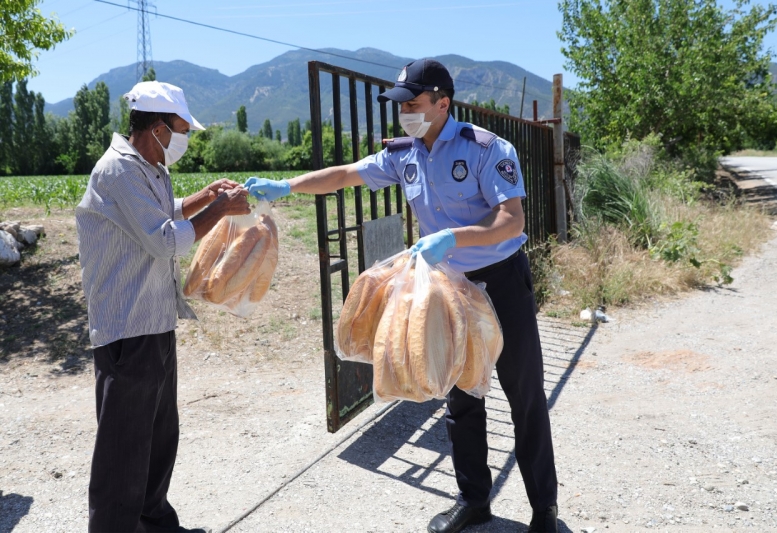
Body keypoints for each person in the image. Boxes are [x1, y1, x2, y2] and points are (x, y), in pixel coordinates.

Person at [243, 59, 560, 533]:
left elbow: (511, 221)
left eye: (413, 104)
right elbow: (344, 175)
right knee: (459, 394)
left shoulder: (486, 148)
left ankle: (543, 512)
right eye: (401, 105)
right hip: (451, 288)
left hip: (502, 280)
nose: (404, 113)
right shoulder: (404, 155)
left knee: (524, 394)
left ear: (442, 103)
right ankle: (475, 500)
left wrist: (454, 237)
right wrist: (286, 186)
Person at [76, 81, 250, 533]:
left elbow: (163, 213)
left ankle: (154, 523)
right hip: (126, 327)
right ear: (156, 128)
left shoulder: (149, 167)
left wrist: (206, 198)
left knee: (157, 438)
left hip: (154, 320)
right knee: (123, 449)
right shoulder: (118, 170)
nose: (183, 137)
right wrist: (223, 209)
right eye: (179, 128)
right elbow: (162, 239)